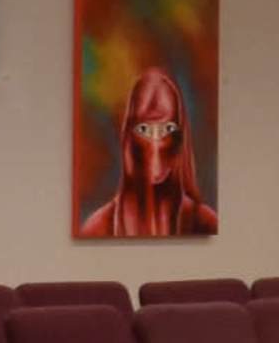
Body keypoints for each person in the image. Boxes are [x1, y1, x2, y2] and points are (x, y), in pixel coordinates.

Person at [82, 54, 212, 237]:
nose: (156, 144)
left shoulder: (205, 223)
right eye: (144, 129)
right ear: (129, 138)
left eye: (167, 129)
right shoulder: (100, 227)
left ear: (181, 136)